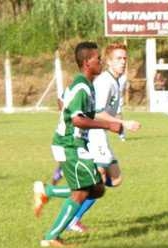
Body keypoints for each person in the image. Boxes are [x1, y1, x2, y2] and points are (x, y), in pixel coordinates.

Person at [33, 42, 122, 248]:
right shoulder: (82, 87)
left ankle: (47, 191)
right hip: (70, 145)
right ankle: (51, 236)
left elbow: (63, 102)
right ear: (86, 62)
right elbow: (77, 120)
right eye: (97, 58)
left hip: (76, 143)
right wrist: (109, 125)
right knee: (82, 192)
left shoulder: (86, 85)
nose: (100, 61)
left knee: (97, 189)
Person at [64, 43, 141, 232]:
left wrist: (119, 125)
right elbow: (97, 113)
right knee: (96, 184)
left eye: (125, 58)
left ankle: (68, 199)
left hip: (100, 135)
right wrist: (123, 123)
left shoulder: (116, 80)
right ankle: (72, 217)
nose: (123, 62)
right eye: (118, 59)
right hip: (94, 134)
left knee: (115, 179)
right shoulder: (106, 82)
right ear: (108, 61)